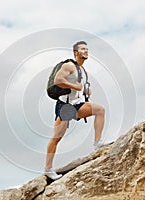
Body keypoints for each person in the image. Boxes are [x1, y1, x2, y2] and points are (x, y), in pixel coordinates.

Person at [44, 41, 106, 180]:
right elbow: (58, 80)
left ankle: (98, 143)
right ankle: (48, 169)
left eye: (87, 49)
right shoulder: (69, 65)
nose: (86, 51)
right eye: (82, 49)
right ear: (75, 53)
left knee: (100, 110)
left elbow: (77, 87)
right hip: (65, 106)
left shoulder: (82, 71)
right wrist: (75, 86)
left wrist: (85, 90)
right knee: (56, 137)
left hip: (77, 105)